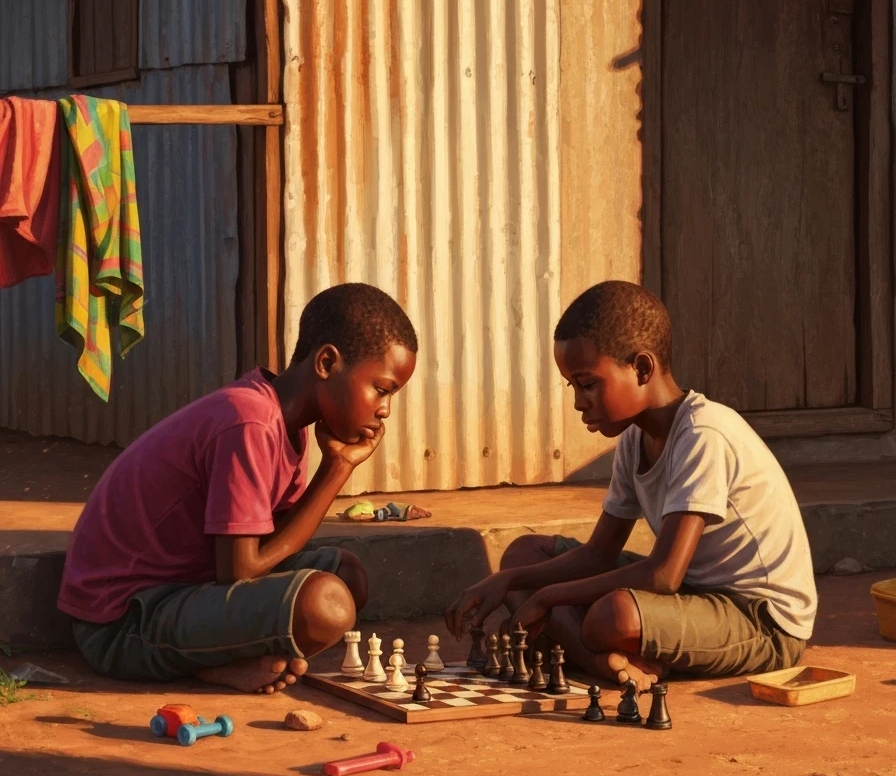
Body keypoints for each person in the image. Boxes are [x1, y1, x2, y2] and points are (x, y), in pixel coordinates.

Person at [445, 281, 816, 691]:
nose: (578, 402)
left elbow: (662, 576)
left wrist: (547, 598)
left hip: (761, 620)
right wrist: (510, 582)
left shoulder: (703, 433)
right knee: (521, 556)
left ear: (641, 368)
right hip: (695, 595)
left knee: (612, 616)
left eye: (588, 384)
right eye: (572, 386)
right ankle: (609, 663)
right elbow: (598, 555)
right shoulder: (635, 439)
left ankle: (591, 652)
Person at [58, 283, 417, 694]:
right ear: (326, 362)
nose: (385, 409)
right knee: (326, 606)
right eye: (382, 389)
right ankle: (213, 663)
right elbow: (242, 570)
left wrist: (334, 465)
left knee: (345, 573)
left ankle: (224, 657)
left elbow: (273, 546)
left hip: (190, 588)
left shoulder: (285, 425)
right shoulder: (250, 422)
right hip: (120, 622)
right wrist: (335, 472)